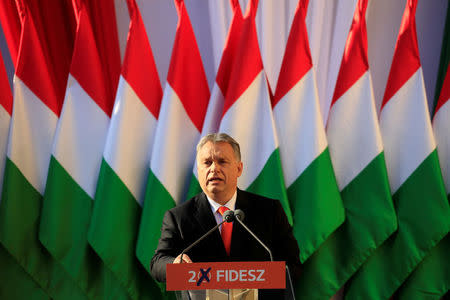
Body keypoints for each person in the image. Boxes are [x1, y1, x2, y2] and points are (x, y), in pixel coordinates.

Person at [150, 133, 301, 297]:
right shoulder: (179, 217)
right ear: (198, 170)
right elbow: (158, 263)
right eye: (207, 163)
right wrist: (174, 264)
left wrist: (265, 277)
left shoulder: (269, 210)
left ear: (239, 168)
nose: (214, 168)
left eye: (222, 161)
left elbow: (291, 264)